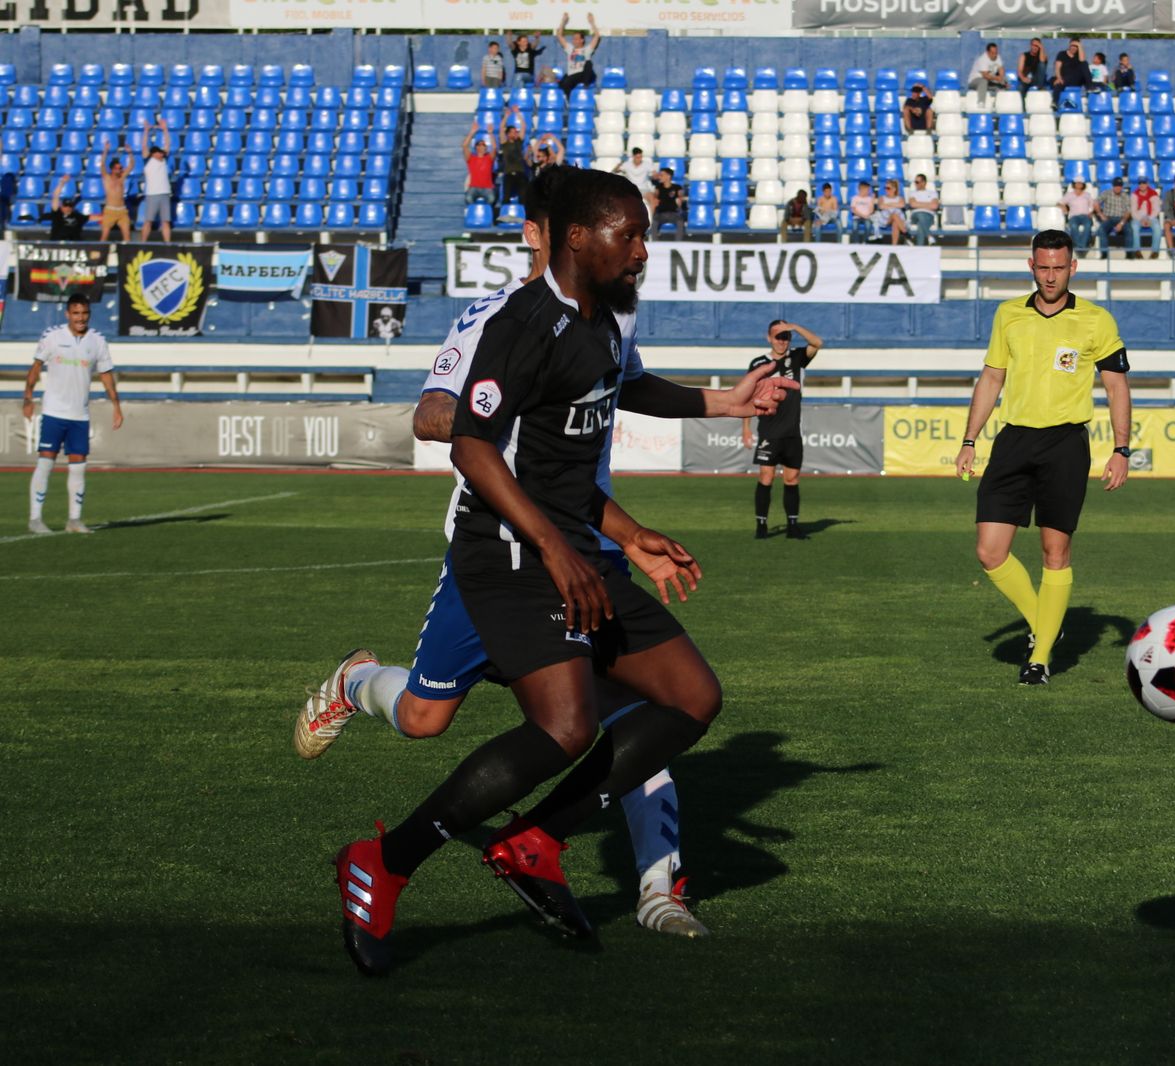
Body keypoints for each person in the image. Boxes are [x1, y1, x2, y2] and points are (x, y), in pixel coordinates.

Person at [303, 167, 795, 945]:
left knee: (690, 697)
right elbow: (467, 438)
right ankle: (385, 860)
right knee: (553, 726)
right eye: (628, 235)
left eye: (644, 234)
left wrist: (632, 531)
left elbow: (588, 433)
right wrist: (559, 550)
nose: (642, 251)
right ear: (572, 235)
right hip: (508, 551)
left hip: (574, 545)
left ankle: (541, 842)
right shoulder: (519, 322)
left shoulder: (606, 320)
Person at [954, 229, 1131, 687]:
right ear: (1030, 266)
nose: (1050, 276)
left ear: (1073, 268)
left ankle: (1040, 658)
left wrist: (1121, 449)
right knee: (989, 552)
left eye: (1059, 267)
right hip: (1013, 442)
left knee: (1056, 553)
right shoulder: (1008, 314)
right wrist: (970, 439)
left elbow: (1116, 387)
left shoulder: (1096, 321)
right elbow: (991, 378)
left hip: (1066, 446)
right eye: (1043, 267)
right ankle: (1044, 622)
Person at [22, 292, 123, 535]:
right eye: (76, 313)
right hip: (54, 412)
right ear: (68, 314)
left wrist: (116, 406)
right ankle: (35, 519)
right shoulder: (53, 337)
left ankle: (74, 520)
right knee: (46, 461)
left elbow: (106, 375)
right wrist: (27, 398)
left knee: (78, 467)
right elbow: (35, 368)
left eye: (84, 313)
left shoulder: (97, 341)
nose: (80, 318)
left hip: (80, 415)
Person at [742, 319, 826, 540]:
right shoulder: (759, 363)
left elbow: (818, 342)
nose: (782, 341)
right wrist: (746, 428)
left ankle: (792, 526)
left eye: (785, 336)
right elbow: (747, 396)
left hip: (792, 432)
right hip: (769, 430)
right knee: (766, 477)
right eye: (778, 336)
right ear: (769, 338)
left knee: (792, 478)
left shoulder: (797, 358)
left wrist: (796, 327)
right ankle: (761, 525)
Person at [139, 118, 172, 242]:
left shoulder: (164, 160)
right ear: (153, 154)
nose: (161, 154)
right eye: (158, 152)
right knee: (148, 221)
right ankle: (143, 243)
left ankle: (168, 243)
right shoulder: (148, 160)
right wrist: (146, 131)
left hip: (164, 193)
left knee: (166, 221)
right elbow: (144, 146)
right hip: (152, 194)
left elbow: (167, 145)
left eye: (161, 152)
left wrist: (165, 130)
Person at [556, 13, 601, 95]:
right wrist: (563, 21)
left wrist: (592, 22)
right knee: (563, 83)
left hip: (583, 75)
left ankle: (586, 85)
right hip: (572, 75)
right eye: (573, 39)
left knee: (588, 63)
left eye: (577, 39)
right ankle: (569, 101)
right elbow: (559, 35)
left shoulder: (587, 49)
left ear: (582, 40)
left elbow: (597, 36)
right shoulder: (570, 49)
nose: (574, 40)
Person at [98, 139, 133, 242]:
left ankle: (128, 256)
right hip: (110, 210)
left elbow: (131, 166)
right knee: (104, 236)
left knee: (127, 236)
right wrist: (105, 151)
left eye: (121, 168)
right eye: (118, 168)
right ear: (113, 169)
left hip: (122, 210)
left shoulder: (122, 178)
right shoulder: (107, 178)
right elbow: (102, 165)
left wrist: (130, 153)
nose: (121, 170)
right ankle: (100, 255)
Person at [498, 108, 531, 207]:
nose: (515, 133)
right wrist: (506, 116)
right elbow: (501, 128)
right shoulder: (505, 143)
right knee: (506, 197)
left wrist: (517, 113)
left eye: (516, 132)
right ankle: (504, 217)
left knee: (523, 197)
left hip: (520, 173)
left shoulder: (519, 142)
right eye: (512, 132)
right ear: (508, 134)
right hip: (508, 174)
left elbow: (523, 126)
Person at [1095, 175, 1131, 256]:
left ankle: (1129, 253)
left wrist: (1121, 223)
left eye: (1119, 186)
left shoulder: (1125, 196)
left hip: (1121, 219)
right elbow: (1096, 202)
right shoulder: (1106, 193)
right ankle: (1104, 253)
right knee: (1101, 229)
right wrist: (1100, 214)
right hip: (1108, 218)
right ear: (1113, 186)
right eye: (1116, 186)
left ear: (1122, 187)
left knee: (1129, 230)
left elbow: (1128, 212)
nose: (1118, 188)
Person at [462, 123, 496, 206]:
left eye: (484, 145)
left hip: (487, 188)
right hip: (474, 187)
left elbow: (495, 148)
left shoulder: (489, 158)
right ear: (476, 147)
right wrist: (472, 132)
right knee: (468, 198)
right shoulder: (471, 158)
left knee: (492, 199)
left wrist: (490, 133)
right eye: (479, 144)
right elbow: (464, 146)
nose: (482, 146)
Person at [1060, 178, 1096, 254]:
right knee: (1073, 226)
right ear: (1074, 184)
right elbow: (1060, 202)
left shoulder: (1087, 195)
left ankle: (1079, 247)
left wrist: (1091, 212)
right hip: (1074, 216)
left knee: (1088, 225)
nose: (1079, 184)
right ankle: (1082, 247)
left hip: (1085, 215)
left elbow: (1093, 205)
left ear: (1083, 184)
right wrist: (1063, 207)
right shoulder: (1069, 195)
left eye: (1080, 183)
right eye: (1077, 183)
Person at [1128, 175, 1161, 258]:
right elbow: (1133, 211)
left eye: (1144, 183)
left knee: (1157, 227)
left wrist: (1149, 219)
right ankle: (1137, 250)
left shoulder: (1153, 194)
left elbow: (1156, 209)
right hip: (1138, 218)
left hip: (1151, 217)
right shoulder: (1134, 195)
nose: (1142, 185)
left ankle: (1155, 251)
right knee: (1134, 226)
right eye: (1140, 183)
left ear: (1147, 184)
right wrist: (1141, 219)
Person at [1050, 38, 1090, 107]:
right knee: (1057, 82)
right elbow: (1057, 67)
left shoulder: (1079, 55)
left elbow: (1083, 61)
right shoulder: (1062, 54)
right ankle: (1055, 102)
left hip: (1076, 79)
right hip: (1064, 78)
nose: (1074, 48)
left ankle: (1090, 88)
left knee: (1085, 64)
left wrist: (1079, 45)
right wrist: (1059, 78)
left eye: (1076, 46)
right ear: (1069, 45)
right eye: (1073, 46)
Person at [649, 166, 685, 240]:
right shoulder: (658, 187)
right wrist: (655, 200)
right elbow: (655, 197)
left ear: (668, 176)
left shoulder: (677, 187)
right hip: (661, 214)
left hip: (674, 214)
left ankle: (678, 245)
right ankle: (655, 244)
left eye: (662, 175)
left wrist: (680, 200)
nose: (660, 177)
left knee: (680, 222)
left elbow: (681, 197)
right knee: (655, 222)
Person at [968, 42, 1007, 109]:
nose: (995, 55)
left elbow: (1001, 69)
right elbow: (985, 75)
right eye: (992, 53)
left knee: (1004, 84)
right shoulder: (982, 59)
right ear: (988, 52)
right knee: (983, 81)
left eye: (996, 52)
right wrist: (998, 79)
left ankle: (998, 105)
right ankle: (981, 103)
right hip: (975, 81)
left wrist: (1002, 79)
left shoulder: (998, 57)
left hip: (989, 81)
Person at [907, 172, 940, 245]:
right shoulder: (912, 193)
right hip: (915, 216)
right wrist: (928, 204)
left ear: (924, 182)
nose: (916, 184)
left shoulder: (932, 193)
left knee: (920, 225)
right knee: (920, 215)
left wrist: (918, 204)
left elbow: (935, 206)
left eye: (917, 182)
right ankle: (929, 236)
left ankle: (919, 250)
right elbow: (912, 204)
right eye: (915, 182)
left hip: (928, 216)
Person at [877, 177, 909, 245]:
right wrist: (895, 205)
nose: (886, 190)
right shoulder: (882, 198)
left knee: (895, 223)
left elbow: (902, 205)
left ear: (894, 189)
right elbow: (881, 206)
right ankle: (906, 234)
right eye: (885, 188)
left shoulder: (900, 198)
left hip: (898, 219)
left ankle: (894, 246)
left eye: (888, 188)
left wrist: (888, 205)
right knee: (894, 215)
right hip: (886, 218)